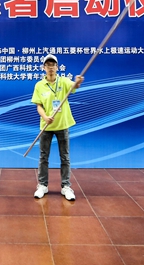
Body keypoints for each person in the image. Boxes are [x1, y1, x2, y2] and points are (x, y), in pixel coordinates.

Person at [31, 54, 83, 201]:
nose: (51, 67)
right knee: (43, 157)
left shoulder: (64, 81)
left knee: (65, 157)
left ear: (57, 67)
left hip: (62, 124)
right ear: (44, 67)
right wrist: (45, 117)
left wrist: (78, 82)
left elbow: (74, 86)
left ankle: (66, 186)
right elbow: (38, 106)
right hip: (46, 126)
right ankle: (43, 185)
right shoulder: (39, 85)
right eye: (48, 65)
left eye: (53, 65)